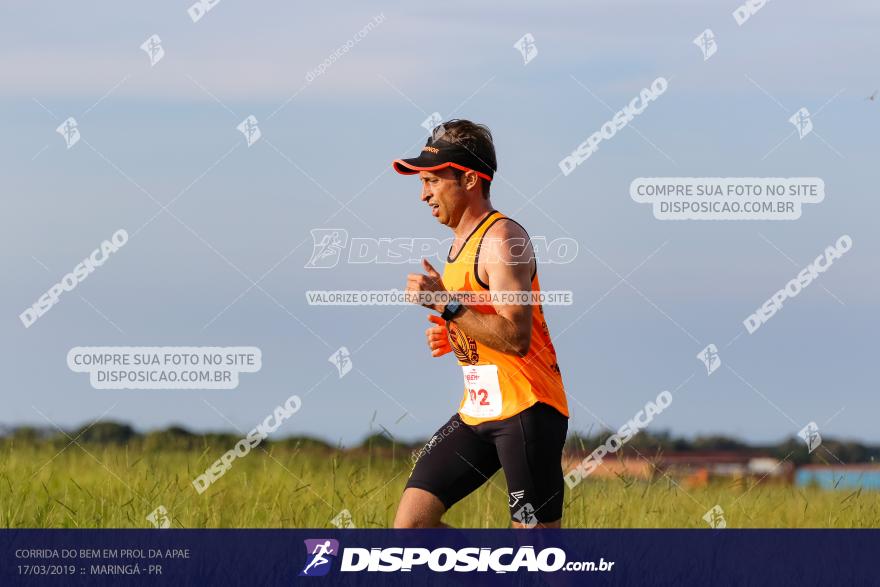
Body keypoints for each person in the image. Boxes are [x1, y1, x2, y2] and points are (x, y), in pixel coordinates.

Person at [392, 119, 569, 528]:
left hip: (527, 409)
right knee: (411, 528)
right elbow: (482, 319)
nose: (423, 195)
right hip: (478, 412)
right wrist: (452, 332)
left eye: (433, 181)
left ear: (469, 179)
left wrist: (447, 305)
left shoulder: (502, 239)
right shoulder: (461, 244)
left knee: (539, 557)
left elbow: (516, 337)